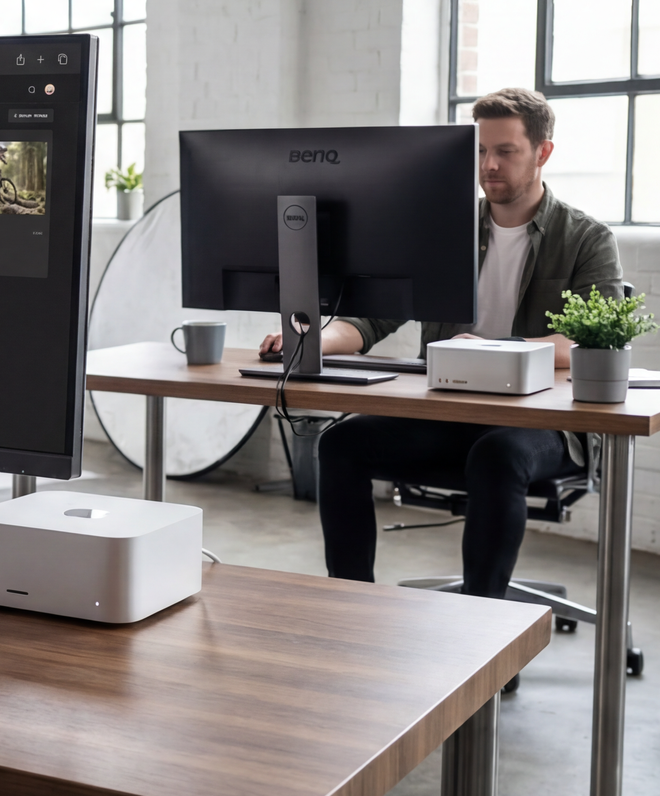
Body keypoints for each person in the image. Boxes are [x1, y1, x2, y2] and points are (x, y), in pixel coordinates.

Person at [259, 88, 621, 597]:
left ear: (543, 153)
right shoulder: (444, 230)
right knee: (340, 442)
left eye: (505, 151)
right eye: (479, 151)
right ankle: (350, 604)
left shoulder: (586, 239)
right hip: (448, 416)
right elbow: (368, 322)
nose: (488, 165)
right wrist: (312, 337)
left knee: (498, 455)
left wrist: (496, 347)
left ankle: (482, 636)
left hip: (544, 426)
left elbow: (591, 344)